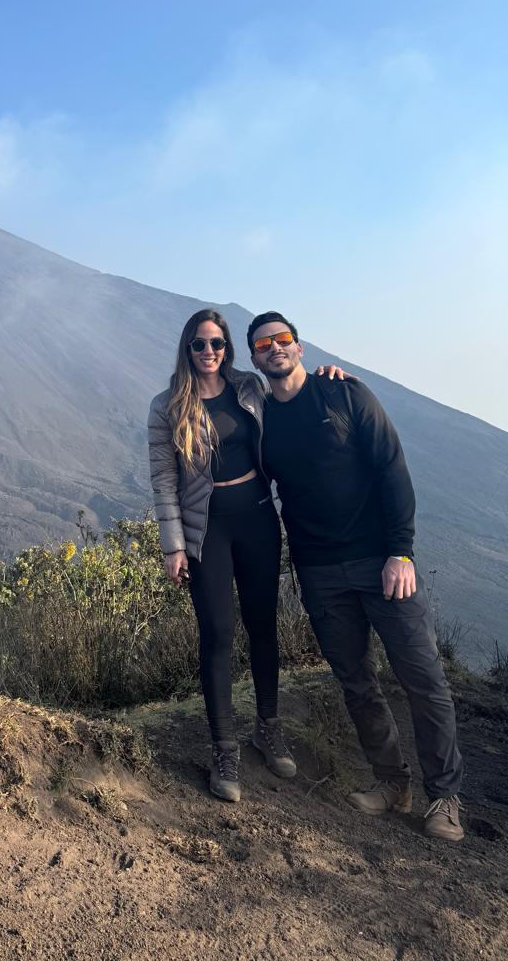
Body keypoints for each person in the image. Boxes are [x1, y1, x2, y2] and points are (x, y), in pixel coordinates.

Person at [247, 311, 464, 842]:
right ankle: (393, 784)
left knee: (423, 678)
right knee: (357, 684)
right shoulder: (260, 419)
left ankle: (445, 798)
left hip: (381, 563)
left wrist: (402, 552)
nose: (274, 348)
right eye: (263, 344)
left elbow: (392, 466)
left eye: (283, 339)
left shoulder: (345, 394)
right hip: (319, 571)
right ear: (253, 358)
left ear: (299, 346)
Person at [147, 308, 347, 803]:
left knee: (263, 627)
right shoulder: (168, 405)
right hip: (206, 530)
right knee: (216, 633)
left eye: (217, 343)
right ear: (186, 349)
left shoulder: (248, 390)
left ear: (228, 348)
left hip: (258, 519)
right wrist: (174, 545)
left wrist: (327, 378)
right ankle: (224, 749)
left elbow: (290, 391)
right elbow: (163, 479)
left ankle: (268, 727)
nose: (209, 352)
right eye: (199, 344)